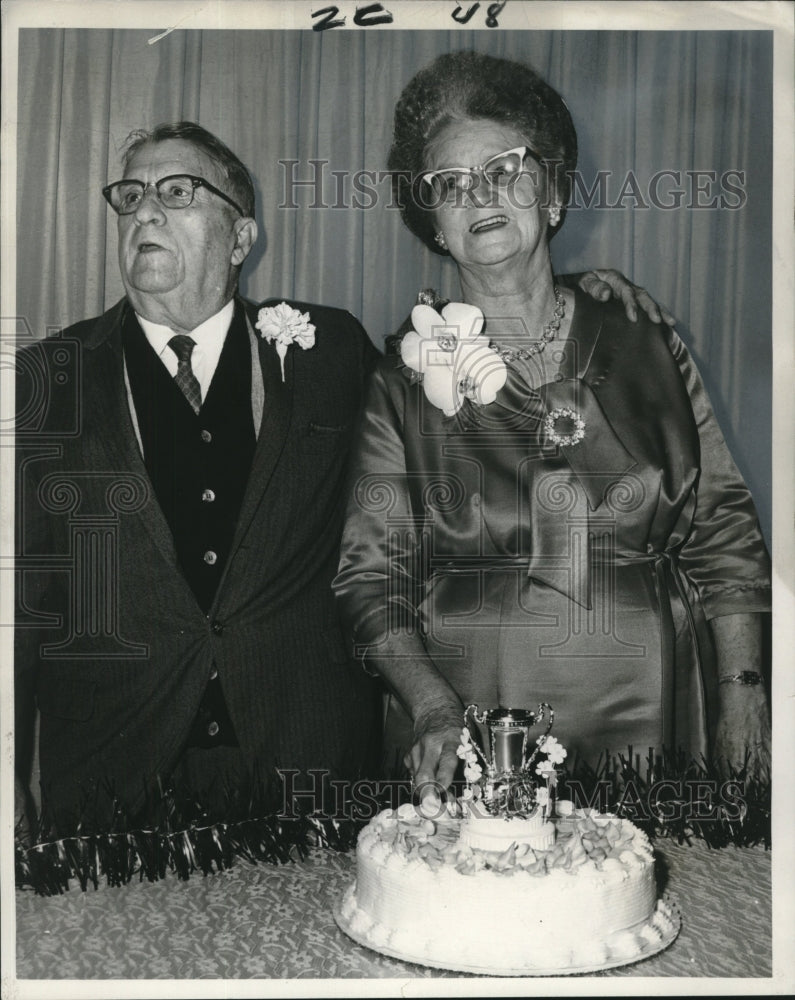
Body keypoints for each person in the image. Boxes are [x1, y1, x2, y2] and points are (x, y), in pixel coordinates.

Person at [13, 119, 668, 835]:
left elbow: (472, 334)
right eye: (130, 195)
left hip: (307, 768)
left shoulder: (330, 351)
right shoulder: (47, 380)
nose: (144, 210)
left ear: (240, 239)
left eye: (177, 191)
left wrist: (586, 294)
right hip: (116, 772)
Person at [333, 52, 771, 799]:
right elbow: (371, 581)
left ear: (554, 189)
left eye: (504, 167)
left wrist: (742, 693)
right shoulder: (401, 381)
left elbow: (723, 535)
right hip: (475, 721)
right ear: (434, 224)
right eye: (451, 183)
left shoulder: (646, 339)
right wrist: (435, 708)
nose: (480, 194)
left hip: (655, 709)